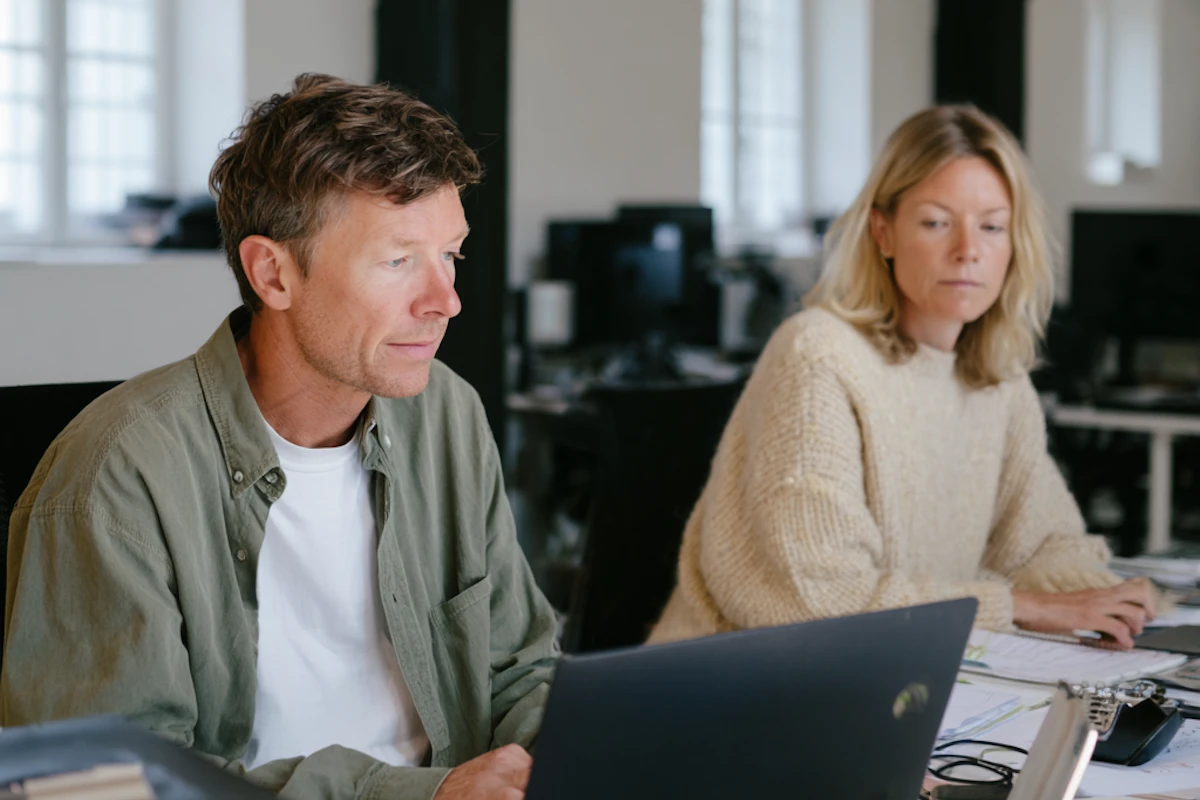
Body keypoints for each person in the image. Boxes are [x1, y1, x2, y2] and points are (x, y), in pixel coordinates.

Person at [2, 74, 559, 800]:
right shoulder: (116, 475)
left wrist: (561, 756)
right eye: (397, 261)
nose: (445, 301)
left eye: (450, 254)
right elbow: (101, 788)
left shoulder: (447, 415)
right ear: (273, 272)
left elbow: (521, 665)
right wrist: (423, 793)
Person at [648, 105, 1155, 649]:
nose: (968, 251)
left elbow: (1043, 546)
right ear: (883, 231)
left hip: (900, 677)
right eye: (936, 223)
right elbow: (816, 596)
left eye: (992, 226)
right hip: (736, 688)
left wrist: (1112, 599)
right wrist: (1023, 606)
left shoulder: (999, 381)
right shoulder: (819, 355)